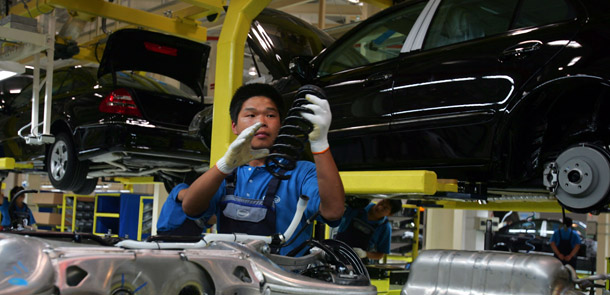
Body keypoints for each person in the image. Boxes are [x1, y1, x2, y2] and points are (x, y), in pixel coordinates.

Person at [181, 83, 345, 255]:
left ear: (281, 125)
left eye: (270, 115)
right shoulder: (224, 173)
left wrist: (320, 145)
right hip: (231, 278)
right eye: (251, 115)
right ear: (234, 126)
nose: (261, 122)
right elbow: (190, 208)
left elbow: (333, 212)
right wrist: (224, 166)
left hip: (285, 279)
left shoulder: (301, 172)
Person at [335, 198, 403, 261]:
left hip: (357, 263)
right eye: (382, 202)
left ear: (390, 214)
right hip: (335, 252)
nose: (379, 207)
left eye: (385, 208)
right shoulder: (359, 206)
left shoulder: (384, 228)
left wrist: (365, 254)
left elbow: (380, 254)